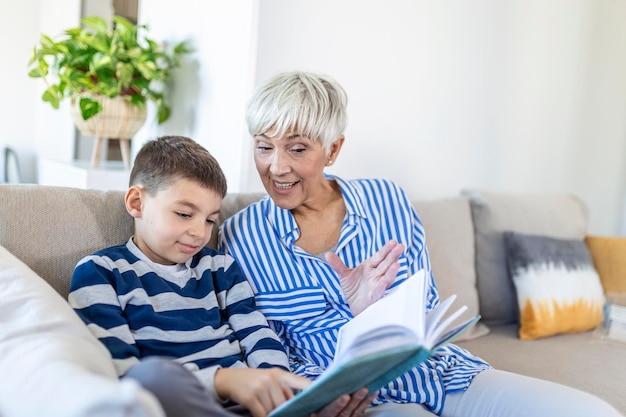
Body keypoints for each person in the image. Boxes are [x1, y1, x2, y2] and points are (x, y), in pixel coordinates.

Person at [218, 71, 624, 417]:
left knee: (591, 412)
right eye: (264, 146)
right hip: (351, 402)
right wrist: (314, 398)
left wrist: (367, 314)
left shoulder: (386, 200)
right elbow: (262, 349)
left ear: (334, 149)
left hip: (442, 374)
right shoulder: (240, 236)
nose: (277, 167)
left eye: (297, 148)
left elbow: (425, 309)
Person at [68, 135, 373, 417]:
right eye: (184, 214)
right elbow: (120, 374)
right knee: (150, 377)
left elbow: (257, 335)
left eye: (210, 220)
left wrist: (281, 388)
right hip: (180, 403)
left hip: (250, 407)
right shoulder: (101, 272)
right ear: (137, 202)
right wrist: (222, 380)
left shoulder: (220, 268)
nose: (199, 232)